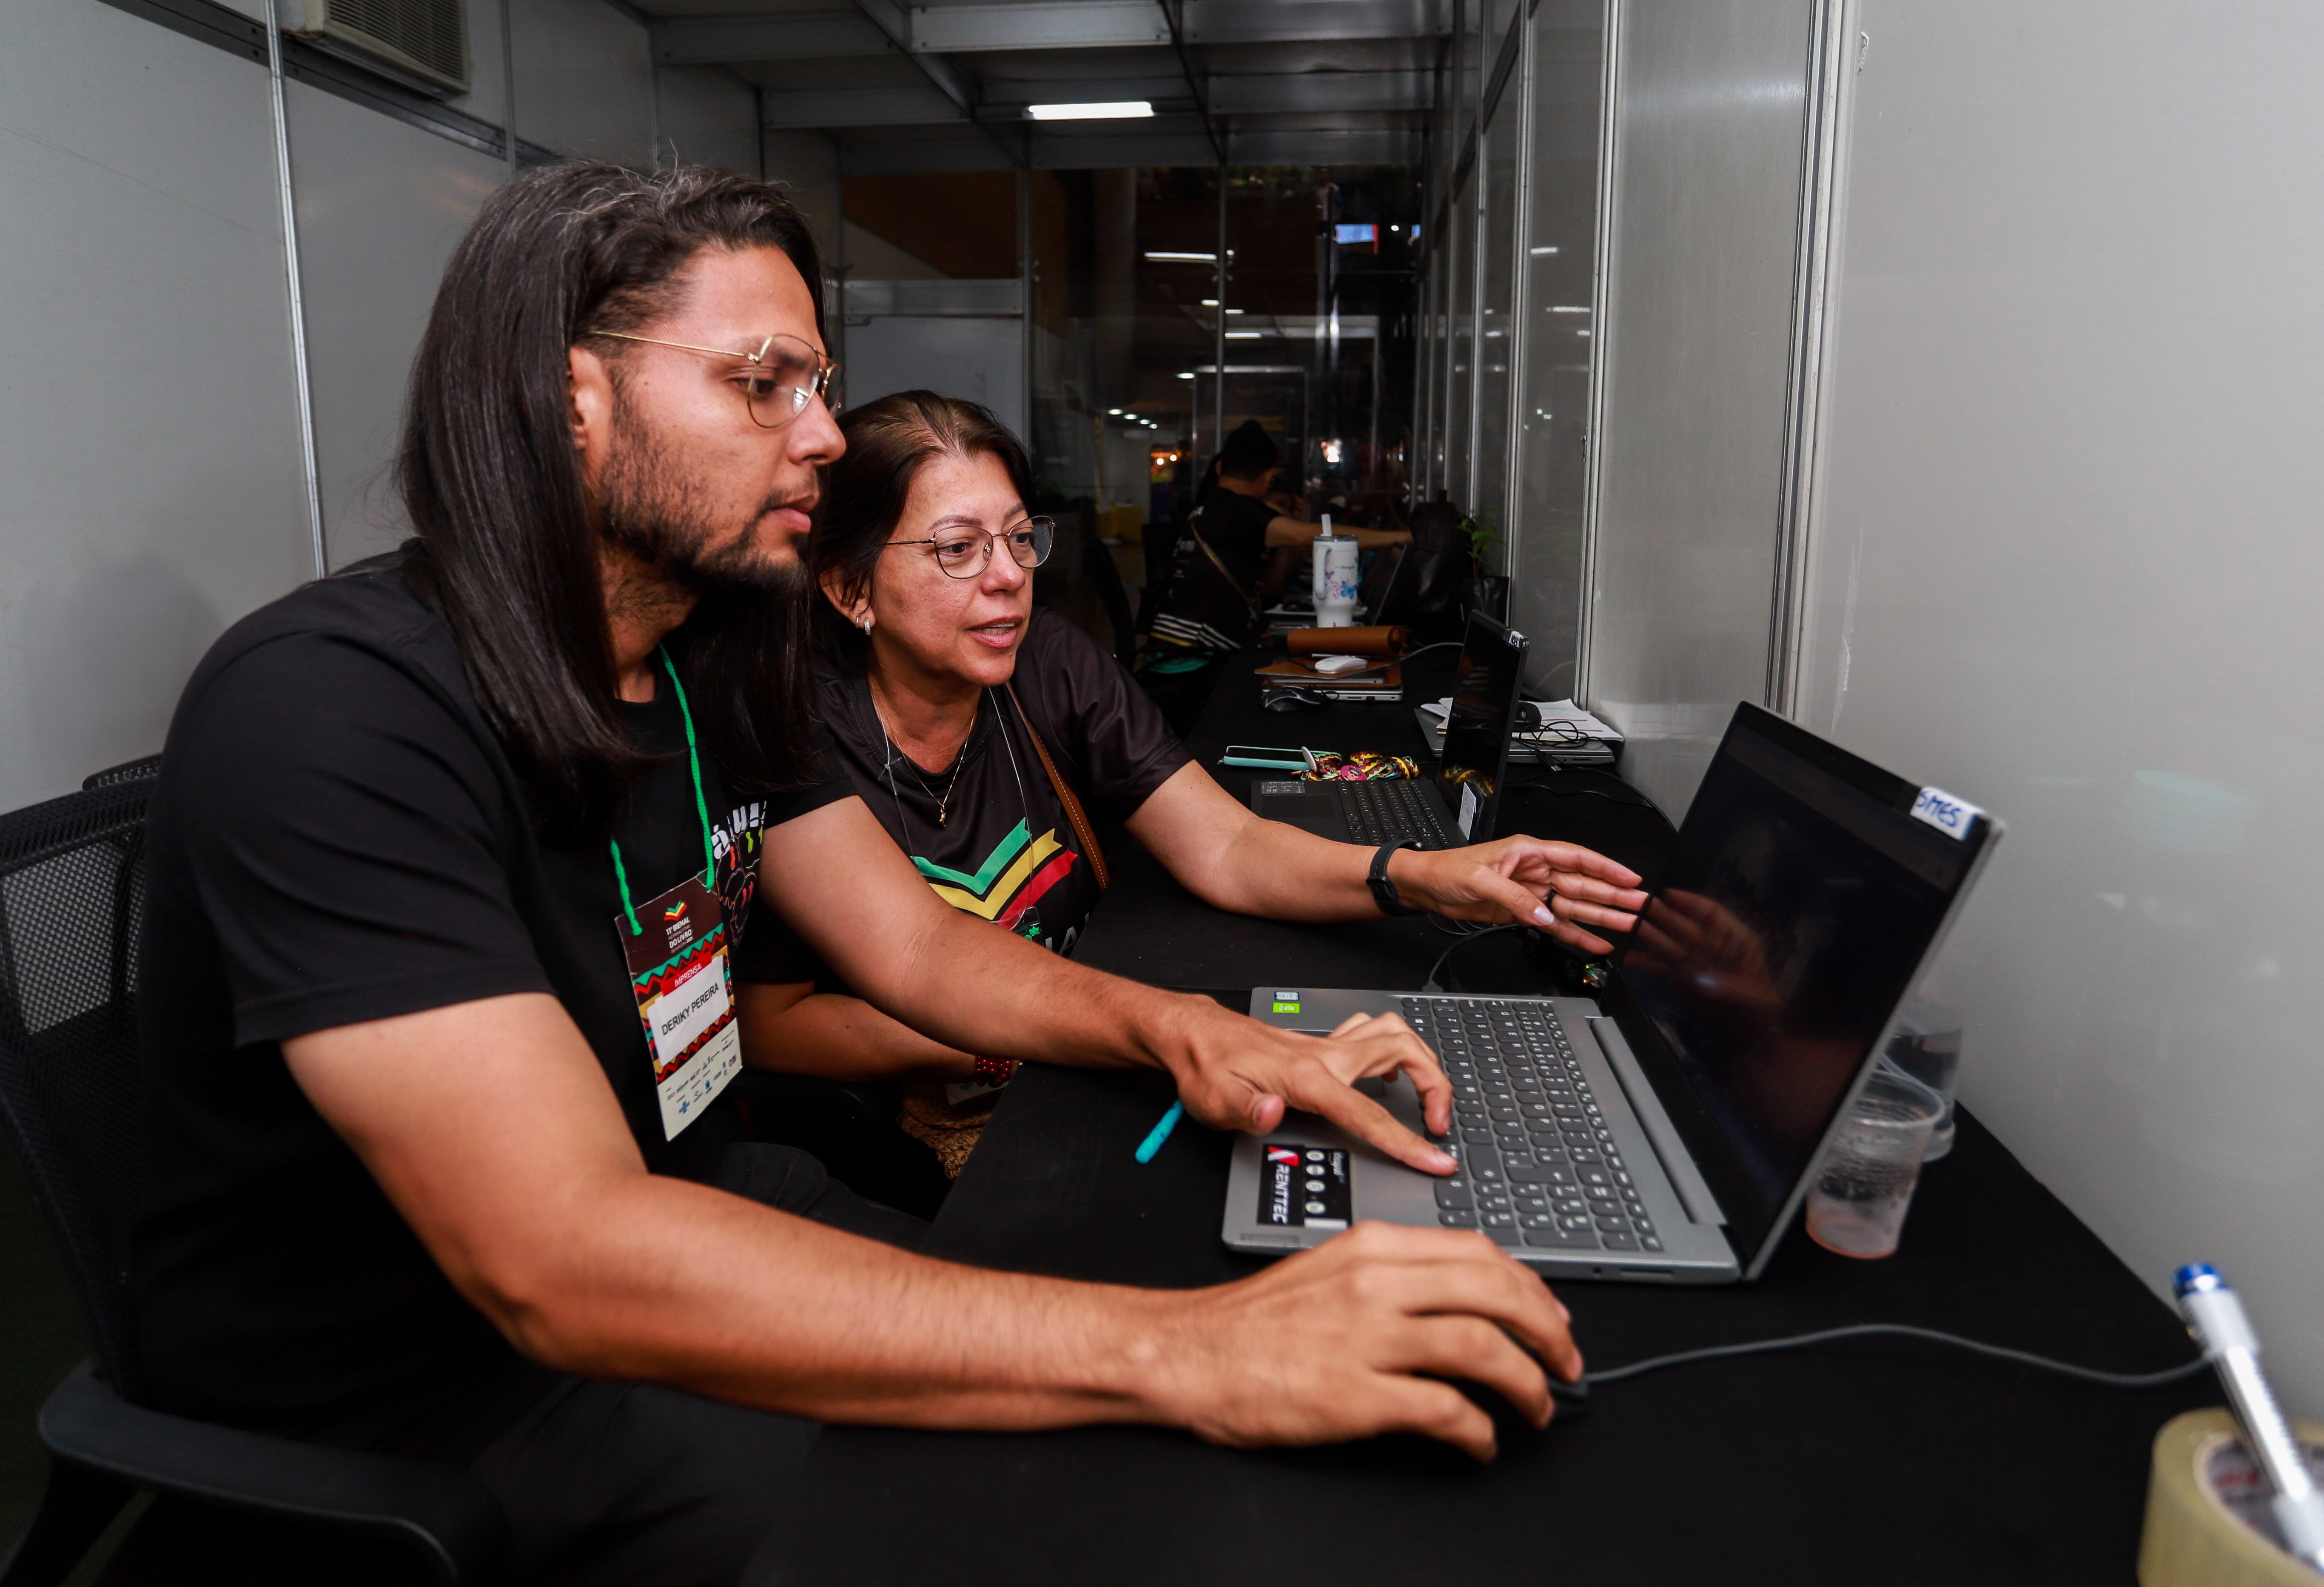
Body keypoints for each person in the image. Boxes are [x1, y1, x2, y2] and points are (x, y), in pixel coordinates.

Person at [130, 162, 1582, 1586]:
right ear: (570, 399)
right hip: (443, 1392)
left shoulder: (702, 665)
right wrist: (1183, 1353)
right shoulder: (332, 706)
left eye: (816, 385)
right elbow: (559, 1258)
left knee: (1149, 1375)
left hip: (712, 1197)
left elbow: (920, 949)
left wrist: (1189, 1030)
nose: (822, 435)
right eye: (763, 383)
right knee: (1101, 1474)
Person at [730, 390, 1648, 1180]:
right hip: (947, 1121)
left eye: (1017, 537)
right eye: (957, 549)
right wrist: (1027, 1029)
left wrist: (1422, 876)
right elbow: (778, 1021)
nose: (1009, 577)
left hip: (1081, 1057)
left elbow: (1225, 842)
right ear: (850, 589)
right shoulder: (795, 727)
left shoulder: (1043, 661)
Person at [1139, 419, 1409, 729]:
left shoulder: (1210, 508)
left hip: (1169, 653)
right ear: (1268, 477)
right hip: (1192, 662)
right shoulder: (1239, 511)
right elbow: (1314, 537)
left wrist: (1285, 533)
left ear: (1220, 467)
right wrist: (1399, 537)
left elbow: (1271, 587)